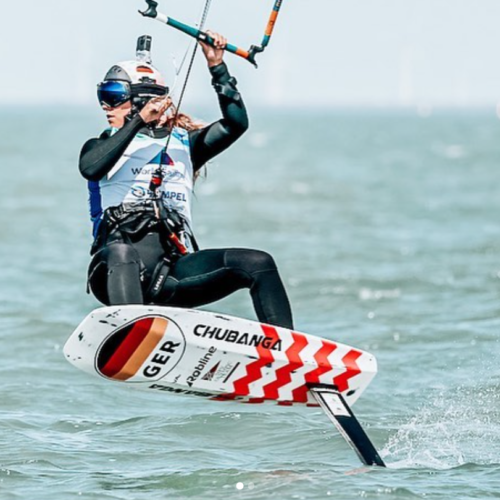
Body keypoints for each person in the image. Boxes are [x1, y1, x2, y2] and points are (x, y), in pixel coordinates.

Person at [79, 32, 294, 330]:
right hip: (113, 269)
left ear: (141, 98)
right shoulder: (101, 145)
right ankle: (132, 335)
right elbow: (90, 168)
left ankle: (286, 353)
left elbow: (236, 124)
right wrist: (139, 120)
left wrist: (217, 67)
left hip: (169, 274)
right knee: (122, 251)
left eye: (114, 96)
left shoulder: (185, 145)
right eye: (103, 95)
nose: (106, 105)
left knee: (258, 263)